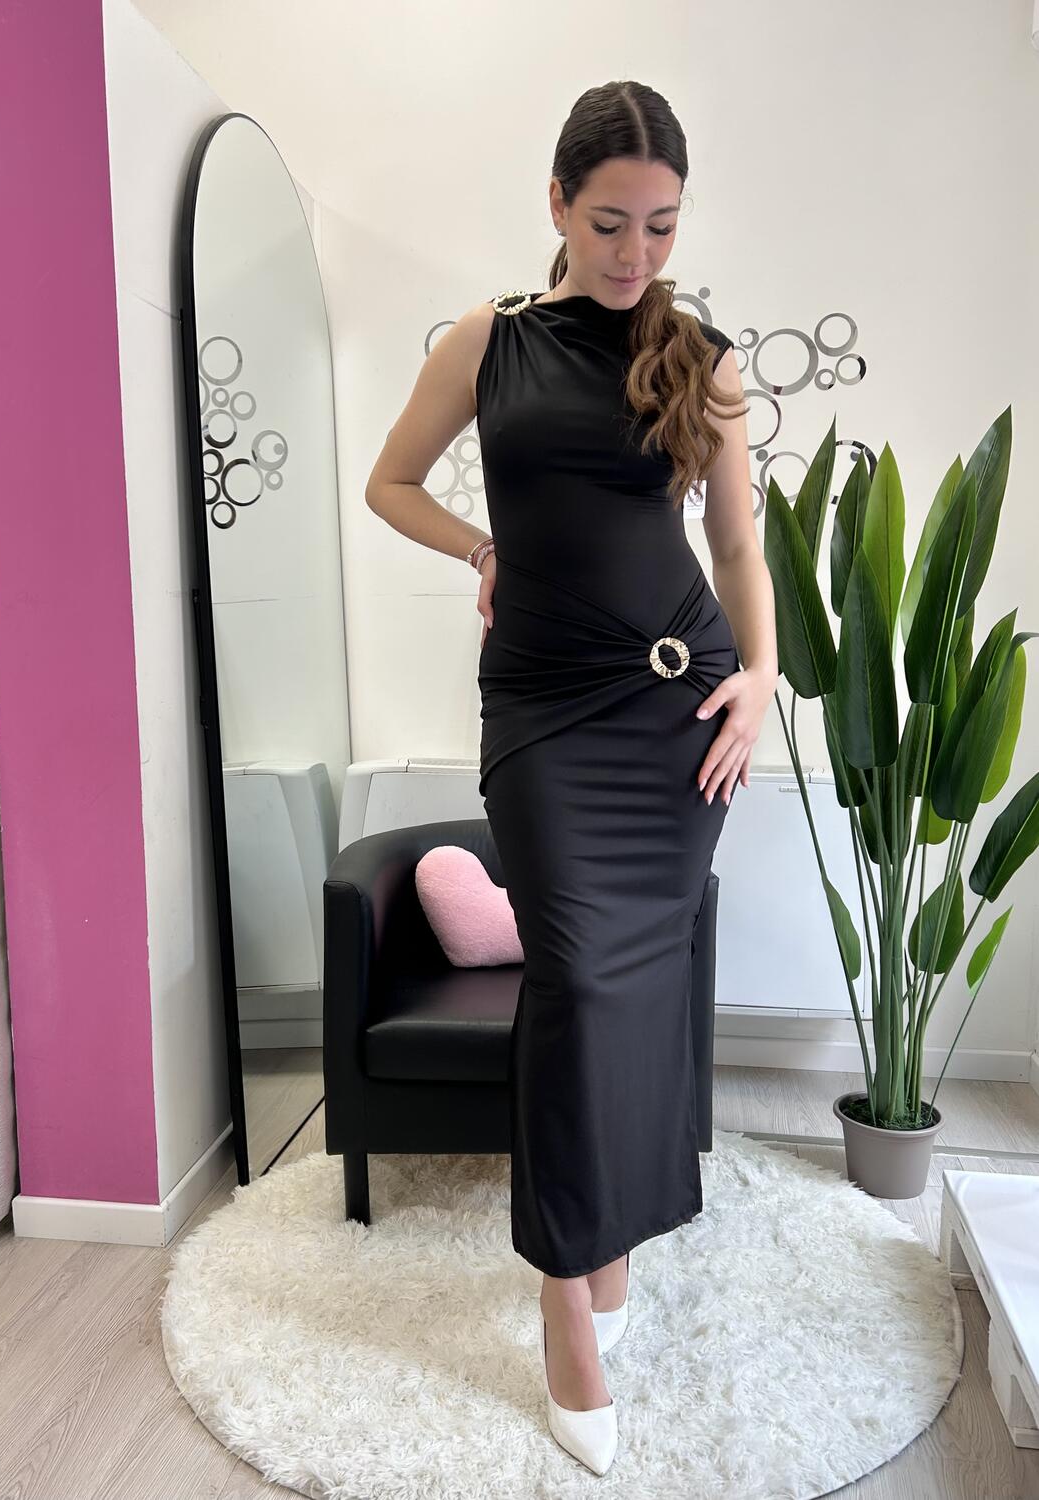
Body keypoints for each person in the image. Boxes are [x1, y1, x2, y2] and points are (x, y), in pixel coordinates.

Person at [365, 80, 778, 1476]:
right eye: (610, 223)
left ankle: (610, 1240)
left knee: (639, 986)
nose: (635, 253)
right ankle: (565, 1291)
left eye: (661, 226)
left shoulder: (699, 357)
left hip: (677, 707)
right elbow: (392, 482)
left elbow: (736, 545)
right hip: (544, 710)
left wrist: (762, 677)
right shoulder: (488, 340)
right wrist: (479, 549)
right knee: (581, 981)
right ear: (556, 202)